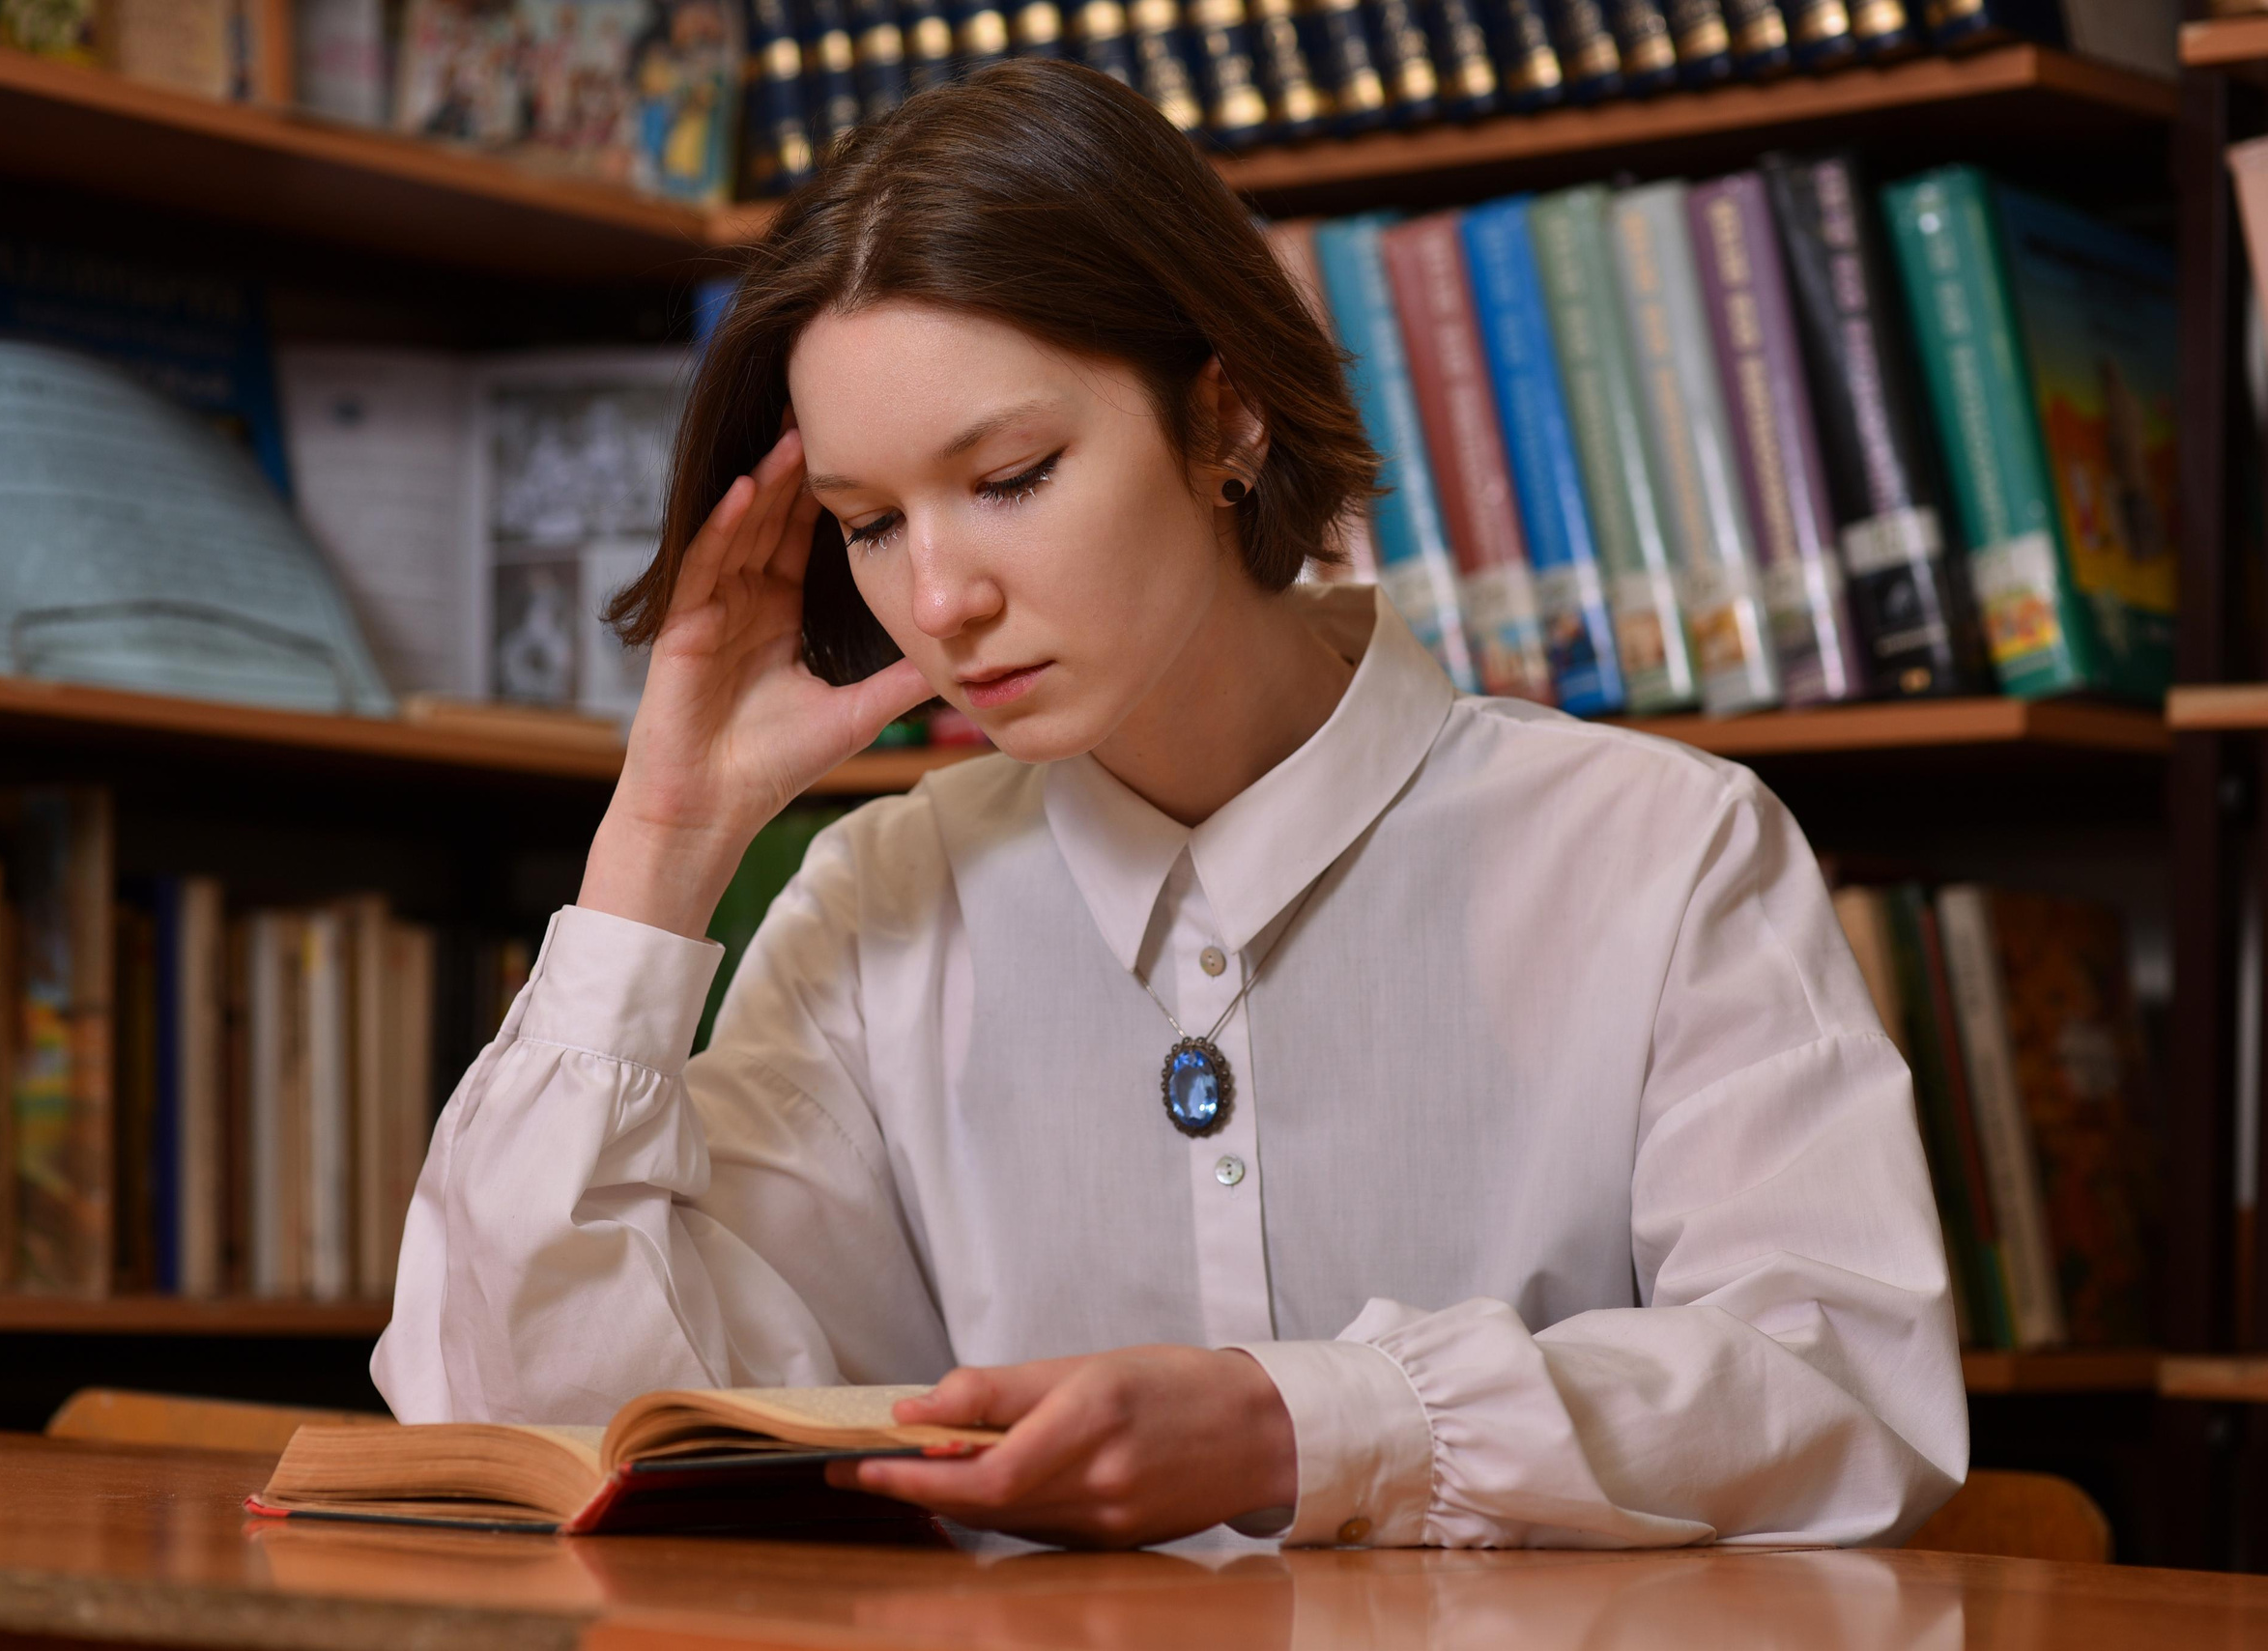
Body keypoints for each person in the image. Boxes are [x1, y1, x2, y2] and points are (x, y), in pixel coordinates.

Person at [374, 58, 1967, 1550]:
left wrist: (1302, 1427)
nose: (941, 598)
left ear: (1226, 415)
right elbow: (523, 1420)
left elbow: (1849, 1394)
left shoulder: (1656, 850)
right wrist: (659, 842)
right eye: (866, 522)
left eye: (1009, 479)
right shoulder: (877, 903)